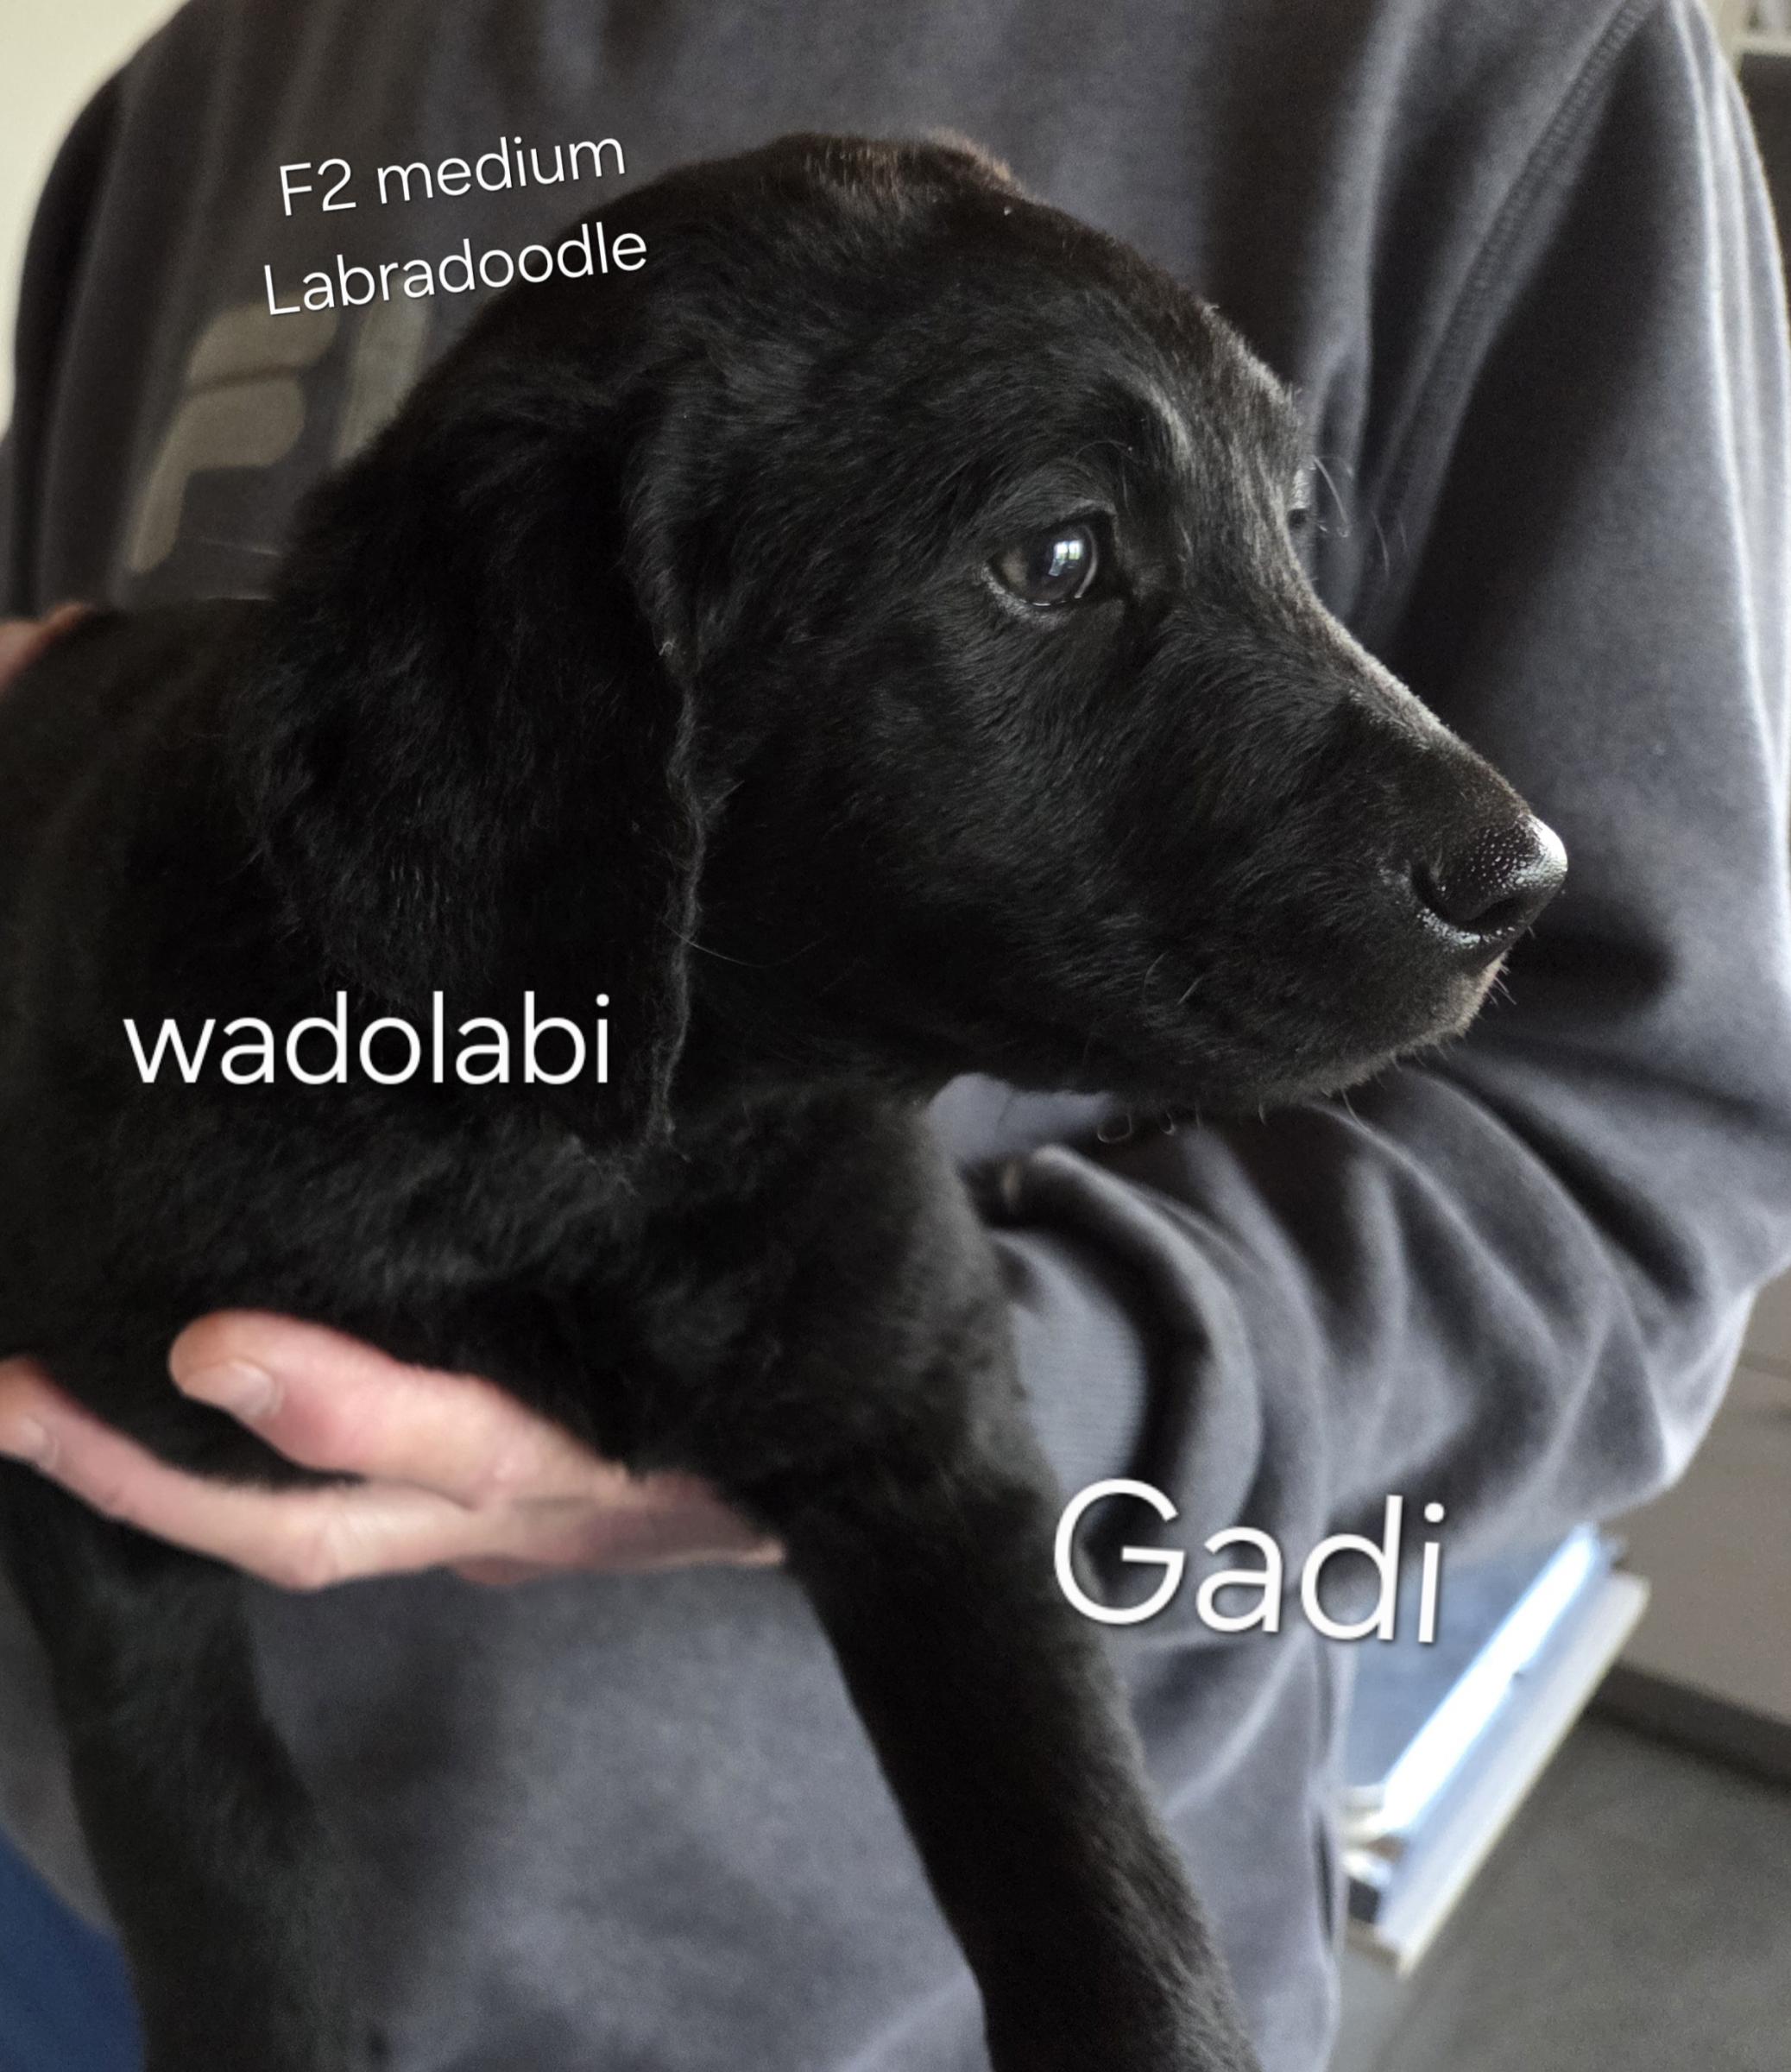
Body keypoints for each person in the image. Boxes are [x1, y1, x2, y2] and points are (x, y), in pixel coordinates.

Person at [3, 2, 1789, 2067]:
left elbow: (1630, 1162)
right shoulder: (195, 89)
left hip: (858, 2018)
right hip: (87, 1902)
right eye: (1059, 557)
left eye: (1283, 529)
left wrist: (980, 1398)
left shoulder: (1490, 49)